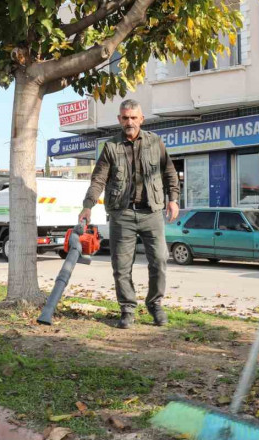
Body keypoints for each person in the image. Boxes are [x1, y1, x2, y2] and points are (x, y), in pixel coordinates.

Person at [79, 99, 180, 329]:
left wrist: (173, 199)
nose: (129, 122)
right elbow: (99, 179)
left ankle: (155, 305)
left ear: (141, 119)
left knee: (160, 260)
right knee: (121, 266)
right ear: (119, 119)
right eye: (125, 118)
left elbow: (170, 173)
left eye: (134, 118)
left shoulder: (155, 143)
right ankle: (127, 309)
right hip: (122, 214)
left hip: (151, 213)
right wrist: (88, 205)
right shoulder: (111, 147)